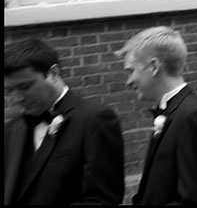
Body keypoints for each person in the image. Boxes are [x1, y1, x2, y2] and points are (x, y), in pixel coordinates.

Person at [117, 26, 197, 205]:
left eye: (131, 71)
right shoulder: (174, 112)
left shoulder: (193, 117)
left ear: (154, 66)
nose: (128, 82)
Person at [4, 37, 124, 205]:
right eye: (9, 91)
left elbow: (102, 200)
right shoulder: (11, 129)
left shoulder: (95, 120)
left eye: (25, 87)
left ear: (54, 73)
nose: (17, 98)